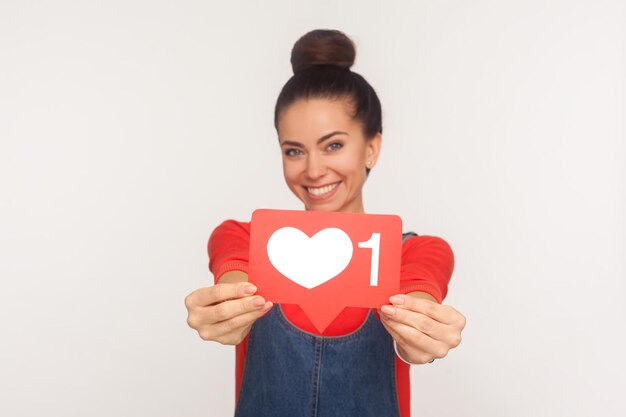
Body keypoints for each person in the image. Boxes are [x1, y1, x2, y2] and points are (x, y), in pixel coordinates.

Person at [185, 29, 466, 417]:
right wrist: (227, 311)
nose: (314, 170)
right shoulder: (243, 239)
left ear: (371, 148)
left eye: (333, 145)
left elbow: (419, 300)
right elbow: (234, 274)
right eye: (294, 150)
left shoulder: (415, 253)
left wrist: (419, 336)